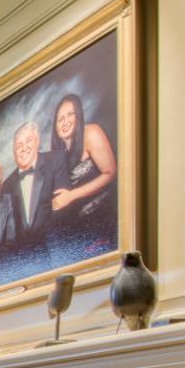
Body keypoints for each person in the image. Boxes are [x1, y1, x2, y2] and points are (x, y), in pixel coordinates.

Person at [47, 92, 117, 258]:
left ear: (78, 115)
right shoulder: (58, 154)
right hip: (79, 230)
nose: (65, 122)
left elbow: (110, 172)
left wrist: (71, 195)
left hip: (103, 219)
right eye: (60, 118)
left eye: (70, 114)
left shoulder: (91, 132)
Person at [0, 121, 58, 273]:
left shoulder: (56, 160)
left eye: (28, 141)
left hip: (59, 256)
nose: (23, 148)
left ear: (38, 142)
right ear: (14, 153)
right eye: (19, 145)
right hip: (24, 267)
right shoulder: (5, 186)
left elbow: (65, 213)